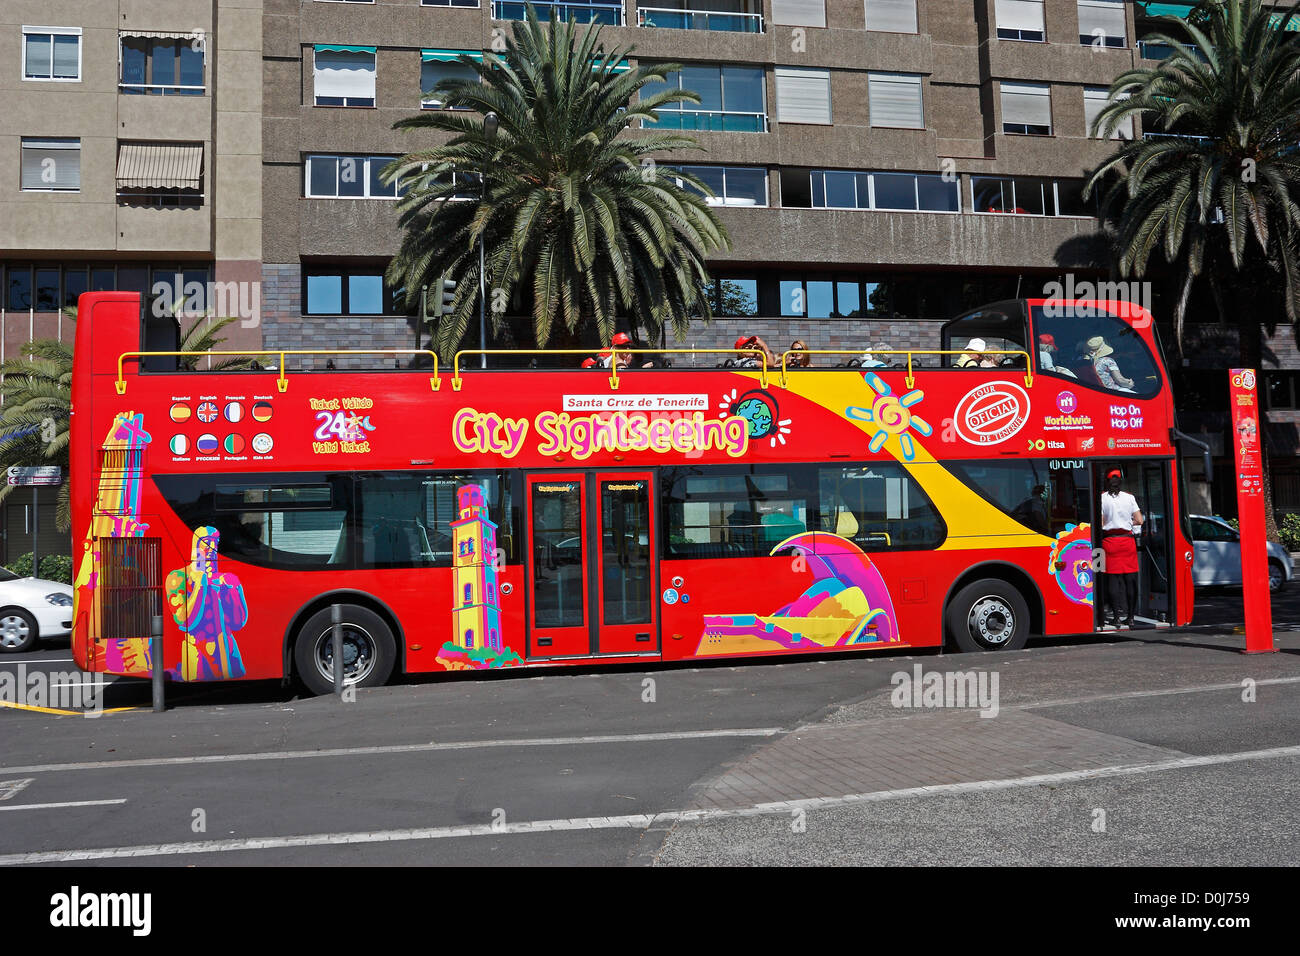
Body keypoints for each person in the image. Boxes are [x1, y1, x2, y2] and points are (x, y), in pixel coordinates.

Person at [1100, 467, 1144, 629]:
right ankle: (1131, 617)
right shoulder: (1129, 497)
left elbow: (1101, 523)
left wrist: (1112, 524)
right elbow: (1139, 520)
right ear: (1121, 480)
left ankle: (1116, 618)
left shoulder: (1102, 498)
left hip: (1110, 542)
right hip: (1127, 542)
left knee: (1113, 580)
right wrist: (1126, 523)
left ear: (1107, 480)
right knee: (1130, 580)